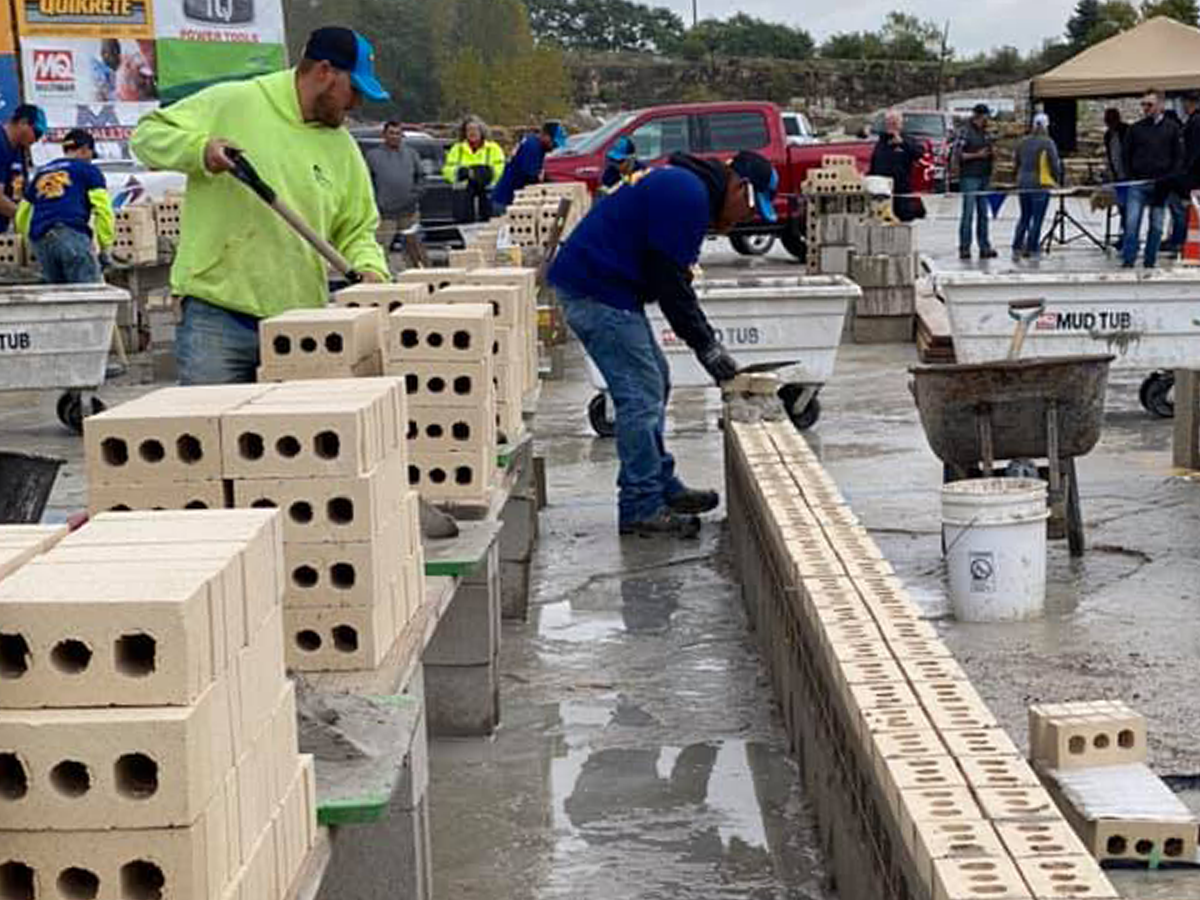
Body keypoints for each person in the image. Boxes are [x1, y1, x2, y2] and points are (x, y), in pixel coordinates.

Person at [131, 26, 390, 385]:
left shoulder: (342, 149)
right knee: (210, 430)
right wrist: (199, 150)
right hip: (216, 315)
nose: (356, 103)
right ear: (325, 73)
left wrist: (369, 268)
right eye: (354, 90)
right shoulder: (237, 101)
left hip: (299, 325)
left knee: (290, 438)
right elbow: (145, 136)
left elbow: (357, 229)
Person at [548, 150, 777, 538]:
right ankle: (641, 504)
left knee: (657, 378)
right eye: (751, 208)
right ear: (740, 187)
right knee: (640, 395)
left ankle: (658, 481)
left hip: (604, 289)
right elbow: (670, 287)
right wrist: (708, 348)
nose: (746, 219)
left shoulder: (689, 191)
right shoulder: (687, 195)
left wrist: (704, 343)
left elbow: (671, 280)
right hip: (596, 292)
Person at [15, 128, 113, 284]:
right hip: (71, 233)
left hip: (41, 240)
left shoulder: (41, 173)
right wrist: (105, 247)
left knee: (58, 299)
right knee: (90, 299)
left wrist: (32, 238)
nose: (90, 160)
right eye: (90, 156)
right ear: (84, 150)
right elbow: (104, 210)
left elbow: (22, 214)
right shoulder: (89, 170)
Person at [1121, 88, 1182, 269]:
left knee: (1156, 227)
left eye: (1149, 104)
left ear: (1161, 105)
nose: (1145, 108)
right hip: (1137, 185)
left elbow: (1178, 157)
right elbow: (1126, 155)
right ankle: (1129, 260)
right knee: (1131, 225)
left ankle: (1149, 262)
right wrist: (1130, 176)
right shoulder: (1135, 129)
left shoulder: (1172, 128)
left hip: (1161, 185)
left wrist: (1170, 179)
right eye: (1143, 104)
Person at [1011, 113, 1063, 261]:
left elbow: (1016, 162)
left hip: (1023, 183)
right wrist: (1057, 179)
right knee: (1037, 218)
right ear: (1046, 126)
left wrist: (1018, 177)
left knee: (1025, 216)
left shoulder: (1022, 141)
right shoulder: (1048, 142)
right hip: (1040, 183)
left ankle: (1017, 244)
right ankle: (1032, 246)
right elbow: (1054, 164)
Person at [366, 120, 423, 254]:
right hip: (384, 213)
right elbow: (367, 182)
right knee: (379, 249)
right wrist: (376, 202)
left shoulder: (412, 153)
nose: (395, 136)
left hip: (409, 212)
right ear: (384, 135)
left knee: (415, 248)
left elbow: (421, 177)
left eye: (398, 133)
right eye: (391, 133)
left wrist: (415, 195)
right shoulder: (372, 156)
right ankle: (381, 274)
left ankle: (418, 273)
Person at [492, 121, 567, 213]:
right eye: (554, 143)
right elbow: (531, 178)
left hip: (508, 199)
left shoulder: (535, 144)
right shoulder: (532, 147)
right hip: (506, 200)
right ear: (545, 135)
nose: (555, 147)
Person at [954, 103, 997, 260]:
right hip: (970, 176)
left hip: (985, 175)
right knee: (968, 213)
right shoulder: (965, 131)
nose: (988, 120)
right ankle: (964, 247)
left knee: (983, 214)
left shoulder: (986, 132)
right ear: (980, 116)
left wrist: (993, 153)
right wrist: (977, 155)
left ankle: (984, 246)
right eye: (986, 116)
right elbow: (958, 155)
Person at [442, 116, 504, 223]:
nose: (472, 132)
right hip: (464, 198)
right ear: (464, 133)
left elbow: (501, 168)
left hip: (487, 195)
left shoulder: (493, 148)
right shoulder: (457, 149)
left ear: (481, 131)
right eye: (469, 130)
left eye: (475, 129)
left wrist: (488, 173)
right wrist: (459, 173)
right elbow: (447, 169)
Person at [868, 109, 925, 222]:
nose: (891, 125)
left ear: (900, 124)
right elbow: (874, 164)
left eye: (894, 123)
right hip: (882, 191)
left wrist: (902, 143)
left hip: (902, 190)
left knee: (904, 221)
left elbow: (919, 153)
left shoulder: (908, 140)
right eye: (889, 122)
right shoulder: (881, 142)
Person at [0, 105, 45, 234]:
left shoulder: (20, 150)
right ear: (23, 123)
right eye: (36, 133)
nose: (36, 140)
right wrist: (30, 217)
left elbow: (20, 193)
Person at [1103, 108, 1130, 246]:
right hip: (1117, 177)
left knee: (1127, 209)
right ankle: (1124, 237)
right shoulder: (1108, 135)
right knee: (1122, 208)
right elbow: (1110, 157)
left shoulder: (1126, 131)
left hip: (1129, 177)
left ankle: (1127, 239)